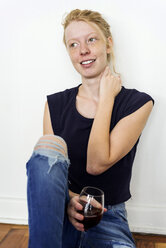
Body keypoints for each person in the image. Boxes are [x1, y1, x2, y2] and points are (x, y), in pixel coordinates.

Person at [26, 9, 154, 248]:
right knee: (48, 147)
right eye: (73, 44)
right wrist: (69, 203)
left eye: (91, 40)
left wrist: (106, 98)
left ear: (108, 44)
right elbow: (50, 177)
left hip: (108, 217)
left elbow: (96, 164)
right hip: (62, 213)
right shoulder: (54, 104)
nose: (83, 50)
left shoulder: (138, 103)